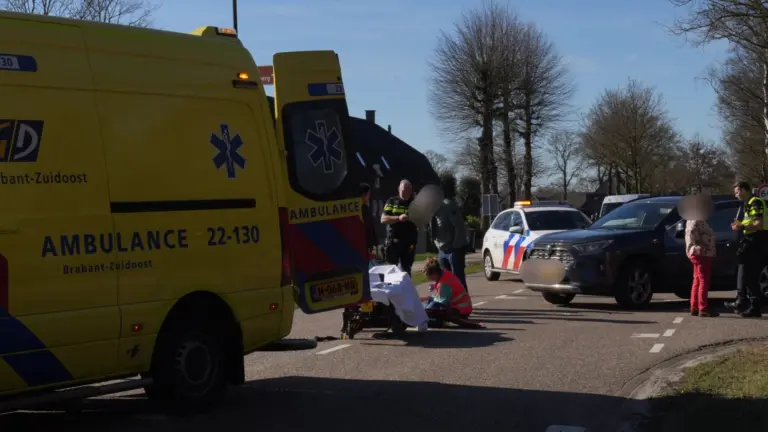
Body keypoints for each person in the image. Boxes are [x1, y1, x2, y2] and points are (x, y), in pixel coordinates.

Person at [726, 181, 768, 318]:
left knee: (750, 274)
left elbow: (759, 224)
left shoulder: (755, 202)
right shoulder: (749, 203)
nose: (735, 195)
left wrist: (742, 226)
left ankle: (753, 306)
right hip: (752, 240)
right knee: (746, 272)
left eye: (737, 191)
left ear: (744, 190)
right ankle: (744, 302)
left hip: (757, 240)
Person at [431, 175, 469, 290]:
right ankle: (449, 301)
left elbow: (459, 226)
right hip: (442, 249)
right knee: (445, 281)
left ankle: (463, 301)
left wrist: (456, 246)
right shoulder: (432, 210)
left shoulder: (448, 206)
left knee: (458, 280)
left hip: (453, 249)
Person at [683, 194, 716, 317]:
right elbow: (700, 235)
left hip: (694, 252)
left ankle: (694, 306)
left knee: (697, 279)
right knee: (703, 280)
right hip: (702, 252)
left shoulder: (690, 218)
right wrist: (707, 242)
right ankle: (703, 307)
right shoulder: (698, 219)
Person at [381, 179, 418, 275]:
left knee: (405, 271)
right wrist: (398, 218)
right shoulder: (392, 201)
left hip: (409, 243)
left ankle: (406, 284)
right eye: (404, 190)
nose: (407, 193)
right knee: (391, 270)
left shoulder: (414, 203)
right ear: (399, 188)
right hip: (394, 242)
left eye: (409, 191)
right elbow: (383, 219)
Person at [360, 183, 378, 254]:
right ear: (364, 195)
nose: (369, 197)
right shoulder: (364, 209)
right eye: (368, 194)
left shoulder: (366, 208)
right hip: (366, 244)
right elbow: (369, 227)